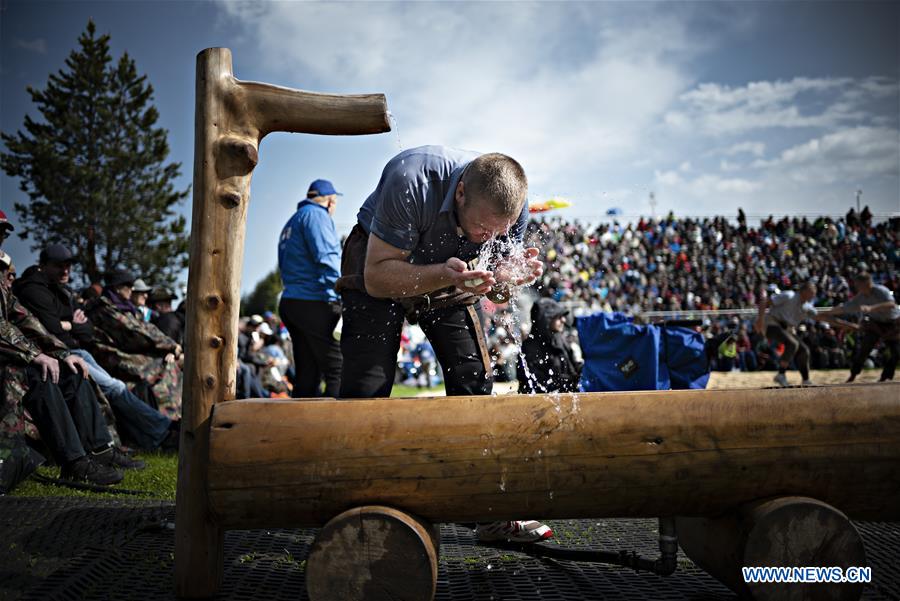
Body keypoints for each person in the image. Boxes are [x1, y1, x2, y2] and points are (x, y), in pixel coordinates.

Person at [337, 145, 550, 543]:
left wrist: (508, 279)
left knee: (473, 377)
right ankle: (353, 511)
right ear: (461, 193)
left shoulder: (513, 207)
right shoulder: (411, 179)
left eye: (497, 233)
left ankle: (482, 509)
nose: (489, 238)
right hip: (378, 261)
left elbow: (497, 293)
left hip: (450, 272)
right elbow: (378, 280)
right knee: (366, 384)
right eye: (482, 230)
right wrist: (446, 276)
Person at [14, 244, 177, 452]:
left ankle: (156, 435)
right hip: (60, 354)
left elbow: (87, 329)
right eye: (58, 266)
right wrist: (72, 324)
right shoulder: (34, 290)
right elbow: (52, 329)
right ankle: (163, 431)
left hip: (78, 351)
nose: (65, 271)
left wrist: (69, 325)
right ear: (43, 265)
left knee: (115, 387)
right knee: (114, 387)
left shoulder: (61, 291)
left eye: (68, 266)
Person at [85, 269, 183, 418]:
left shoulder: (126, 307)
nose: (132, 290)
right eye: (128, 286)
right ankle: (170, 418)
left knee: (171, 362)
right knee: (164, 366)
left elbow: (148, 328)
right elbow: (135, 333)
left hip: (129, 353)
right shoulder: (104, 309)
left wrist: (170, 345)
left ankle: (174, 415)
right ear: (117, 287)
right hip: (115, 358)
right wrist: (170, 346)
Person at [278, 179, 343, 398]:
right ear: (329, 201)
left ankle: (300, 428)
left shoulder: (293, 221)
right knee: (338, 368)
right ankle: (336, 427)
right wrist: (343, 291)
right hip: (313, 301)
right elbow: (327, 258)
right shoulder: (317, 216)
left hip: (292, 301)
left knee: (308, 372)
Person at [830, 272, 899, 382]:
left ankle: (885, 377)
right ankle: (853, 374)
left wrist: (872, 308)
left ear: (867, 283)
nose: (857, 287)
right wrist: (830, 312)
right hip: (876, 324)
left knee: (896, 352)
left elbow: (891, 304)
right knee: (864, 349)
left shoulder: (881, 290)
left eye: (858, 285)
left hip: (892, 323)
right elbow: (846, 307)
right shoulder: (860, 297)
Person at [754, 281, 826, 387]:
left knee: (804, 350)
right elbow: (764, 302)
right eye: (812, 292)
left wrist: (846, 323)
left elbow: (822, 316)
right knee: (792, 344)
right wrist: (760, 320)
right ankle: (781, 374)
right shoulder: (789, 295)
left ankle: (806, 380)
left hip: (786, 329)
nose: (814, 295)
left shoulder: (807, 306)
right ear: (804, 291)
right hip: (771, 324)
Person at [518, 298, 581, 393]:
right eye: (558, 317)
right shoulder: (529, 348)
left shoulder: (560, 340)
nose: (563, 320)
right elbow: (534, 383)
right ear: (546, 319)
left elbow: (573, 370)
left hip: (567, 399)